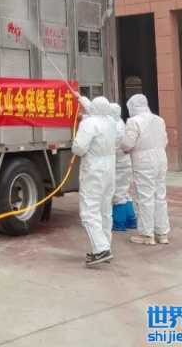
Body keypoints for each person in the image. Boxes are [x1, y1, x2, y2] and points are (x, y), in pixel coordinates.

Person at [72, 96, 117, 266]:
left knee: (89, 210)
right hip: (110, 168)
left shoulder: (88, 124)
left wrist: (74, 145)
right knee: (105, 209)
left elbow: (79, 148)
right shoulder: (111, 122)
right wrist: (80, 98)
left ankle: (101, 249)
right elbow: (94, 108)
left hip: (94, 169)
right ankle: (106, 246)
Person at [122, 94, 170, 245]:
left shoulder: (134, 121)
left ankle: (147, 234)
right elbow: (165, 140)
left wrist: (124, 148)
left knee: (145, 197)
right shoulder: (159, 120)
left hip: (143, 161)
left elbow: (127, 144)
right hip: (161, 158)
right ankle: (162, 233)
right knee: (160, 196)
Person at [110, 103, 137, 231]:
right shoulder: (121, 122)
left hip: (118, 164)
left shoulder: (113, 127)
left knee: (118, 194)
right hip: (125, 163)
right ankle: (131, 220)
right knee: (125, 192)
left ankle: (119, 223)